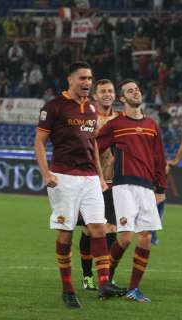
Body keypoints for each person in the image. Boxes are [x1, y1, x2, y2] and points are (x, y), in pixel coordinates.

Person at [34, 61, 124, 309]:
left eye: (89, 79)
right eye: (82, 78)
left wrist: (97, 174)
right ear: (70, 80)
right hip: (63, 176)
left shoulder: (92, 108)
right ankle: (68, 289)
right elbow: (39, 142)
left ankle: (104, 282)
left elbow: (93, 143)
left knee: (99, 229)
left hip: (90, 179)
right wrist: (46, 173)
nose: (87, 83)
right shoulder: (54, 106)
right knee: (66, 232)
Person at [97, 79, 167, 303]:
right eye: (130, 91)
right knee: (125, 238)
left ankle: (133, 290)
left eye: (137, 89)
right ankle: (106, 281)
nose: (135, 92)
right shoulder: (116, 124)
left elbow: (159, 157)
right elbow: (93, 147)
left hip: (146, 187)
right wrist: (97, 175)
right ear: (122, 98)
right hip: (124, 185)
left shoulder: (151, 125)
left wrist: (161, 187)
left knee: (145, 238)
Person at [77, 79, 121, 291]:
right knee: (89, 230)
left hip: (113, 183)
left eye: (110, 91)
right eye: (103, 91)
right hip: (91, 180)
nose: (107, 94)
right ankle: (87, 276)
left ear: (115, 95)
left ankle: (108, 277)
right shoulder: (89, 117)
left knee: (111, 228)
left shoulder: (121, 119)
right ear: (95, 95)